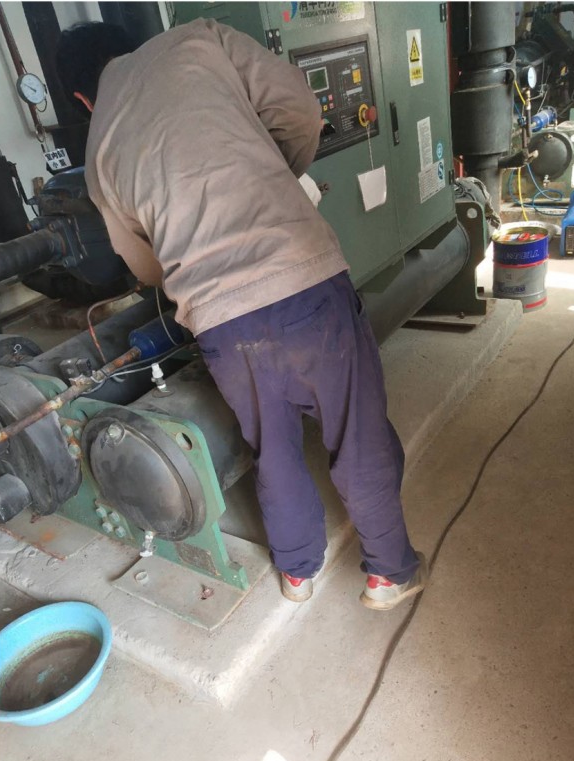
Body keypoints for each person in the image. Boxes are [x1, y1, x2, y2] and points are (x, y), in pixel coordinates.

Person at [55, 18, 427, 610]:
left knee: (273, 448)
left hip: (223, 320)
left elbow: (143, 263)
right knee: (357, 432)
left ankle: (297, 573)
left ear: (82, 98)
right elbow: (300, 109)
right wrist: (273, 173)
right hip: (302, 278)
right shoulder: (200, 39)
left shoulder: (99, 143)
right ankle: (389, 574)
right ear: (130, 44)